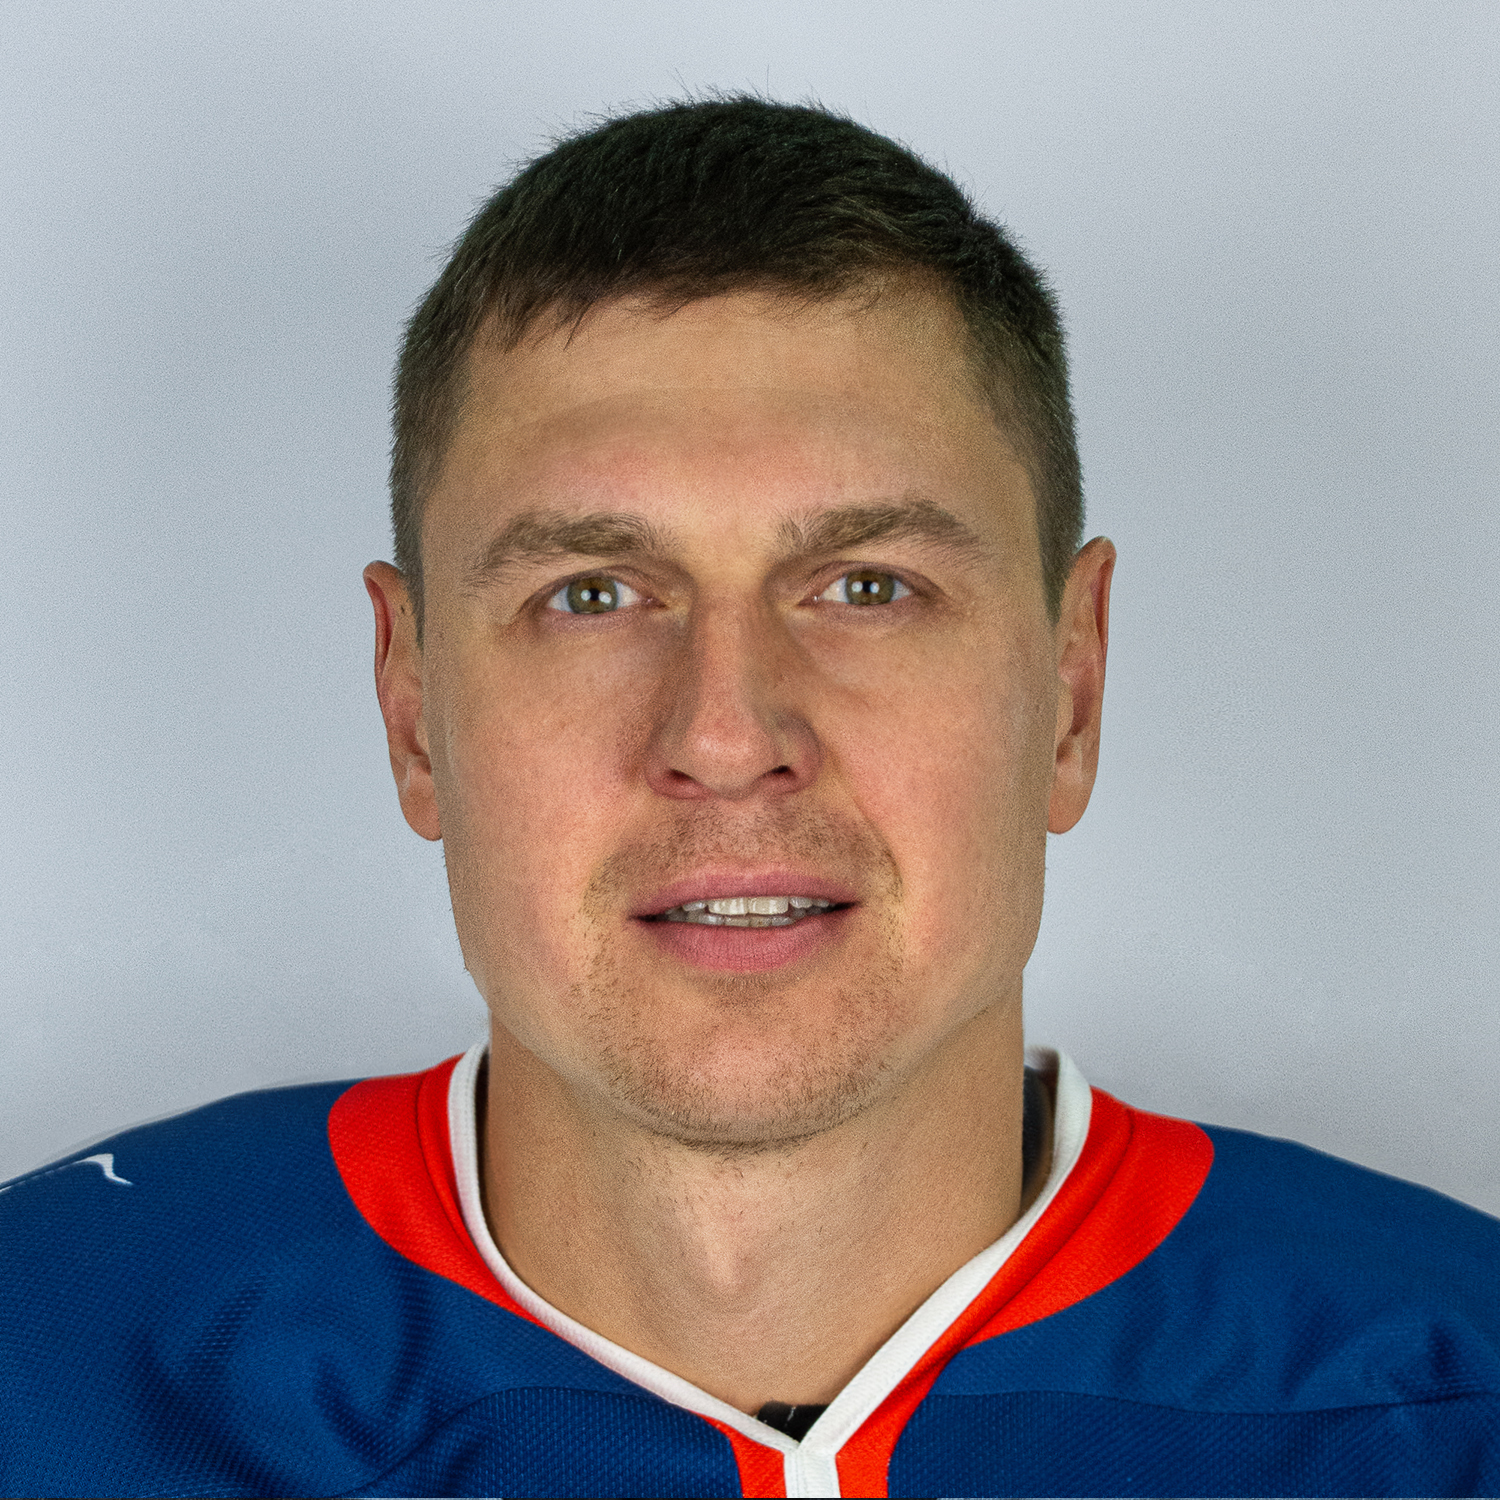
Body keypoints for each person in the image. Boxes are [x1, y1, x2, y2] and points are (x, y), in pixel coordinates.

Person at [2, 96, 1496, 1500]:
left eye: (867, 587)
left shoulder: (1451, 1400)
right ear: (413, 711)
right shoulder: (46, 1373)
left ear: (1071, 691)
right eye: (592, 593)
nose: (726, 736)